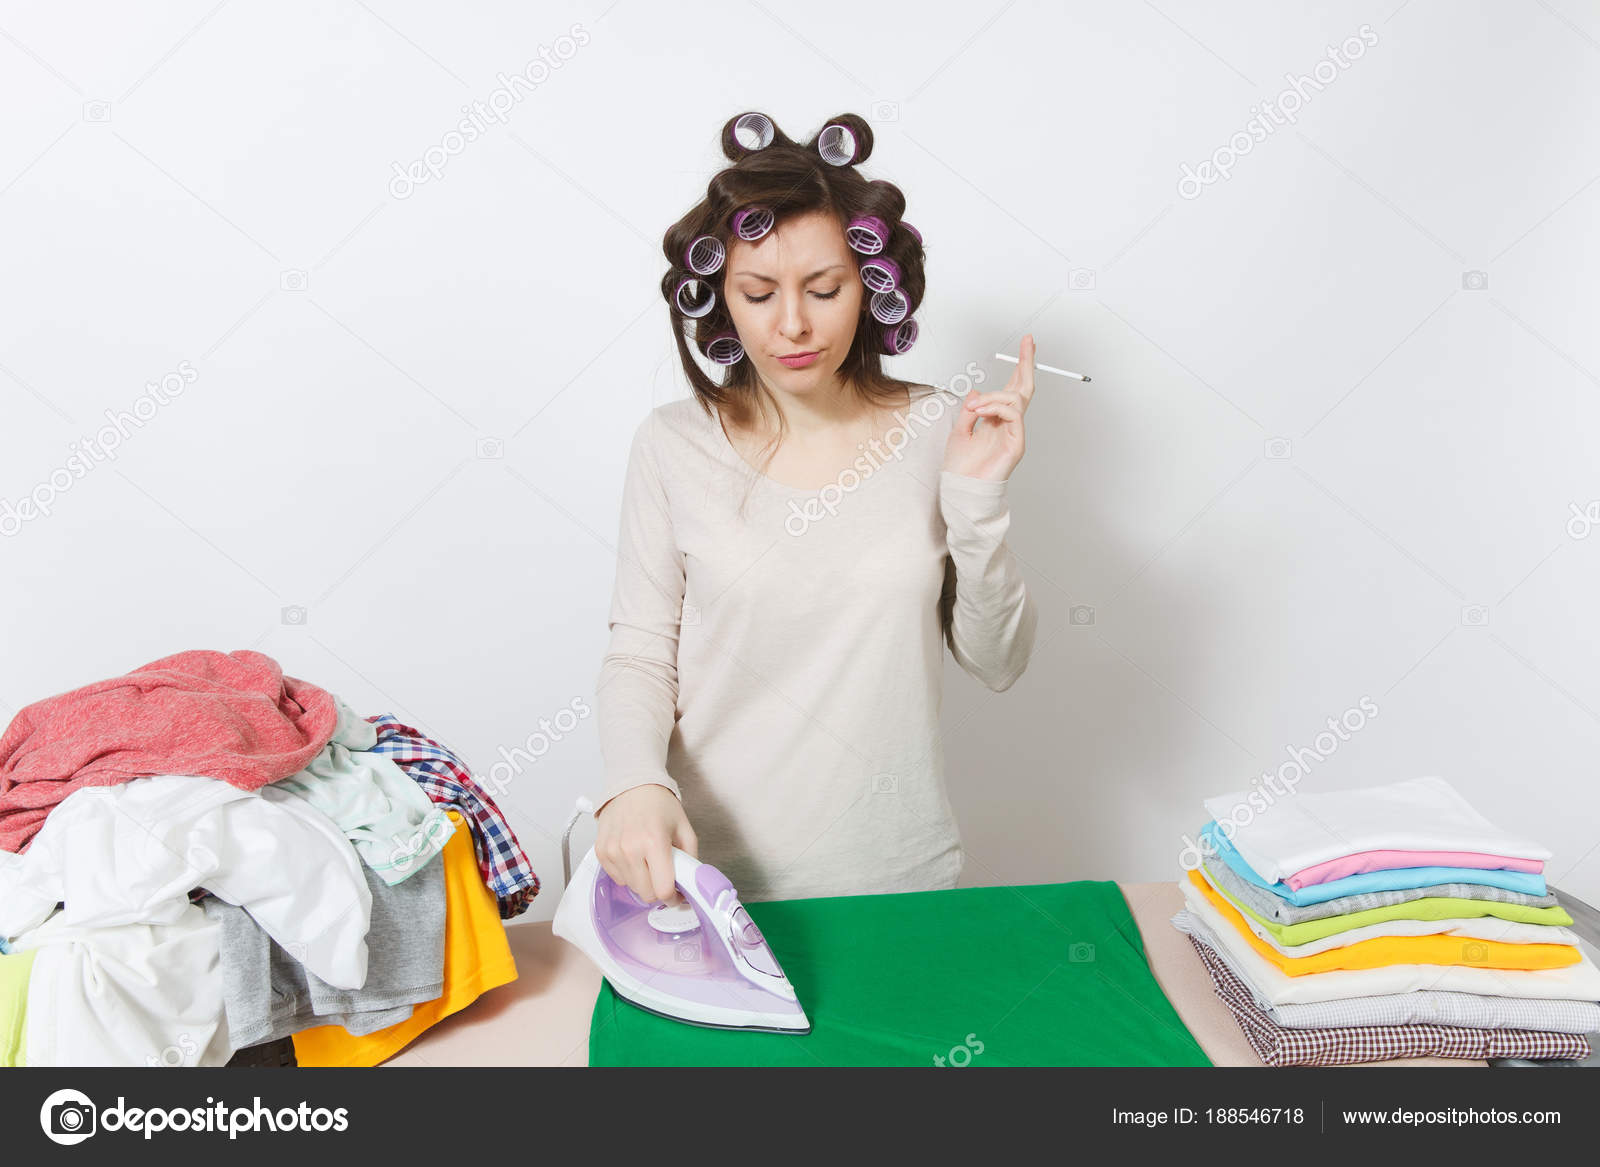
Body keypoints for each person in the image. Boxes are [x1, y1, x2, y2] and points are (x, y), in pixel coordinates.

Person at [593, 111, 1038, 904]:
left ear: (870, 290)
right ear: (722, 300)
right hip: (704, 879)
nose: (792, 324)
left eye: (824, 289)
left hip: (898, 877)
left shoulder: (941, 429)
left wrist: (977, 497)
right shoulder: (671, 445)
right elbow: (639, 654)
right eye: (758, 293)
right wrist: (632, 784)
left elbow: (998, 662)